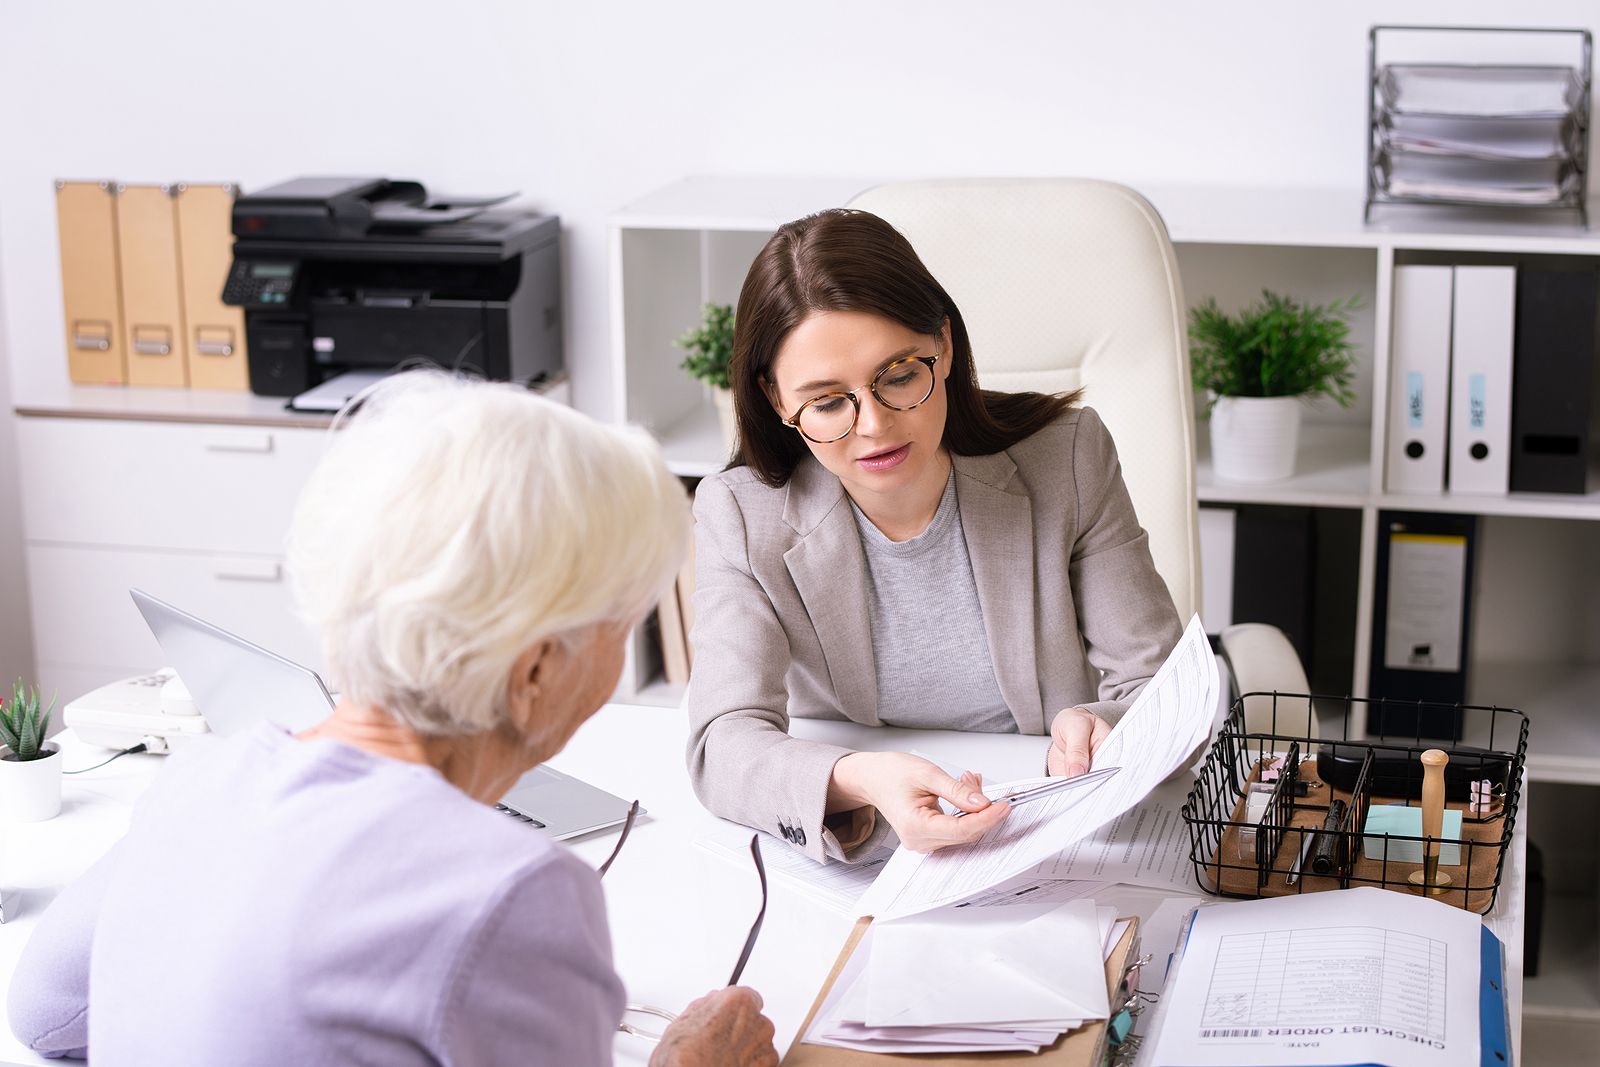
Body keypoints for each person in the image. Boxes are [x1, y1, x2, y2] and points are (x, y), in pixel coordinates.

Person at [9, 373, 779, 1067]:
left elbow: (41, 1014)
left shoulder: (202, 779)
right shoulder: (513, 893)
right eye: (622, 626)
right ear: (536, 670)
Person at [685, 208, 1183, 864]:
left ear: (943, 346)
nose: (874, 425)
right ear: (777, 401)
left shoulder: (1066, 459)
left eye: (898, 375)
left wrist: (1103, 725)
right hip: (872, 851)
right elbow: (722, 745)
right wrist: (860, 777)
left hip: (1057, 837)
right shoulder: (740, 513)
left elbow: (1163, 688)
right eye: (829, 401)